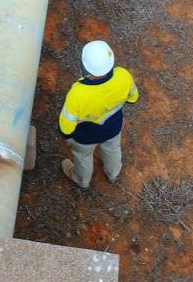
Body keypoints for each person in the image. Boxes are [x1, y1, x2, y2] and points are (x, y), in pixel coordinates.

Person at [58, 40, 139, 189]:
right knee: (113, 150)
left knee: (83, 158)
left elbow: (66, 126)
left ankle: (82, 181)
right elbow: (133, 98)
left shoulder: (77, 93)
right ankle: (113, 174)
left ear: (84, 66)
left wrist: (67, 136)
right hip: (112, 128)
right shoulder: (123, 75)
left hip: (85, 136)